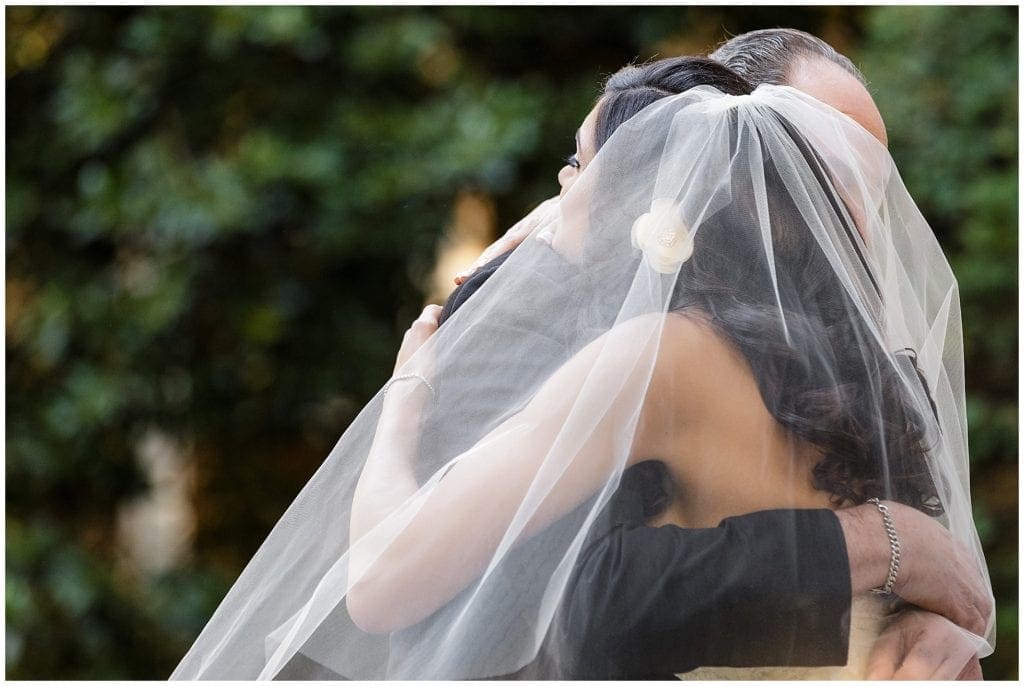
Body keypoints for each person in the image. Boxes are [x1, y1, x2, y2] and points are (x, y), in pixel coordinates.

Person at [172, 47, 994, 683]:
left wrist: (405, 390)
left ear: (650, 187)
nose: (561, 186)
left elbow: (383, 580)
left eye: (579, 162)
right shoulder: (841, 372)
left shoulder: (658, 357)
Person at [446, 31, 993, 679]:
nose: (853, 224)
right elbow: (547, 594)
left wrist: (924, 618)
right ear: (709, 149)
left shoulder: (878, 371)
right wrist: (878, 545)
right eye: (822, 173)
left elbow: (949, 592)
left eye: (872, 192)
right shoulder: (533, 303)